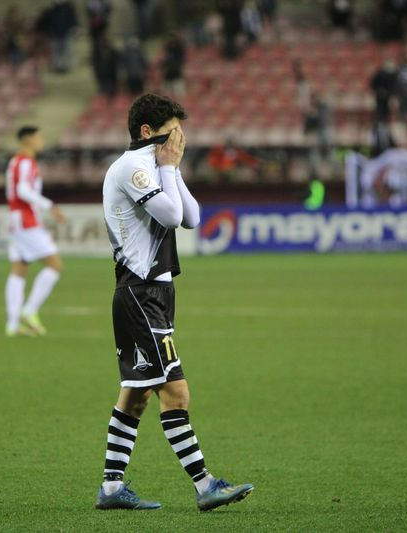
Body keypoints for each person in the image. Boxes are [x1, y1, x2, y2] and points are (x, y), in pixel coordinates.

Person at [97, 94, 253, 511]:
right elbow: (168, 217)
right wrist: (168, 168)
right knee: (176, 392)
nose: (180, 138)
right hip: (141, 291)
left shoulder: (156, 167)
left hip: (155, 293)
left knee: (135, 395)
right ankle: (205, 486)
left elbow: (192, 217)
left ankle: (111, 490)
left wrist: (173, 170)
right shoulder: (133, 167)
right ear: (148, 131)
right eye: (173, 130)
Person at [4, 126, 66, 337]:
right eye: (39, 137)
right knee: (55, 265)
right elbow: (22, 190)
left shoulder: (15, 161)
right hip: (25, 220)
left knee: (19, 269)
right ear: (28, 139)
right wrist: (50, 205)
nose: (41, 140)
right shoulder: (25, 162)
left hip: (15, 220)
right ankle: (29, 311)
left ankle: (12, 326)